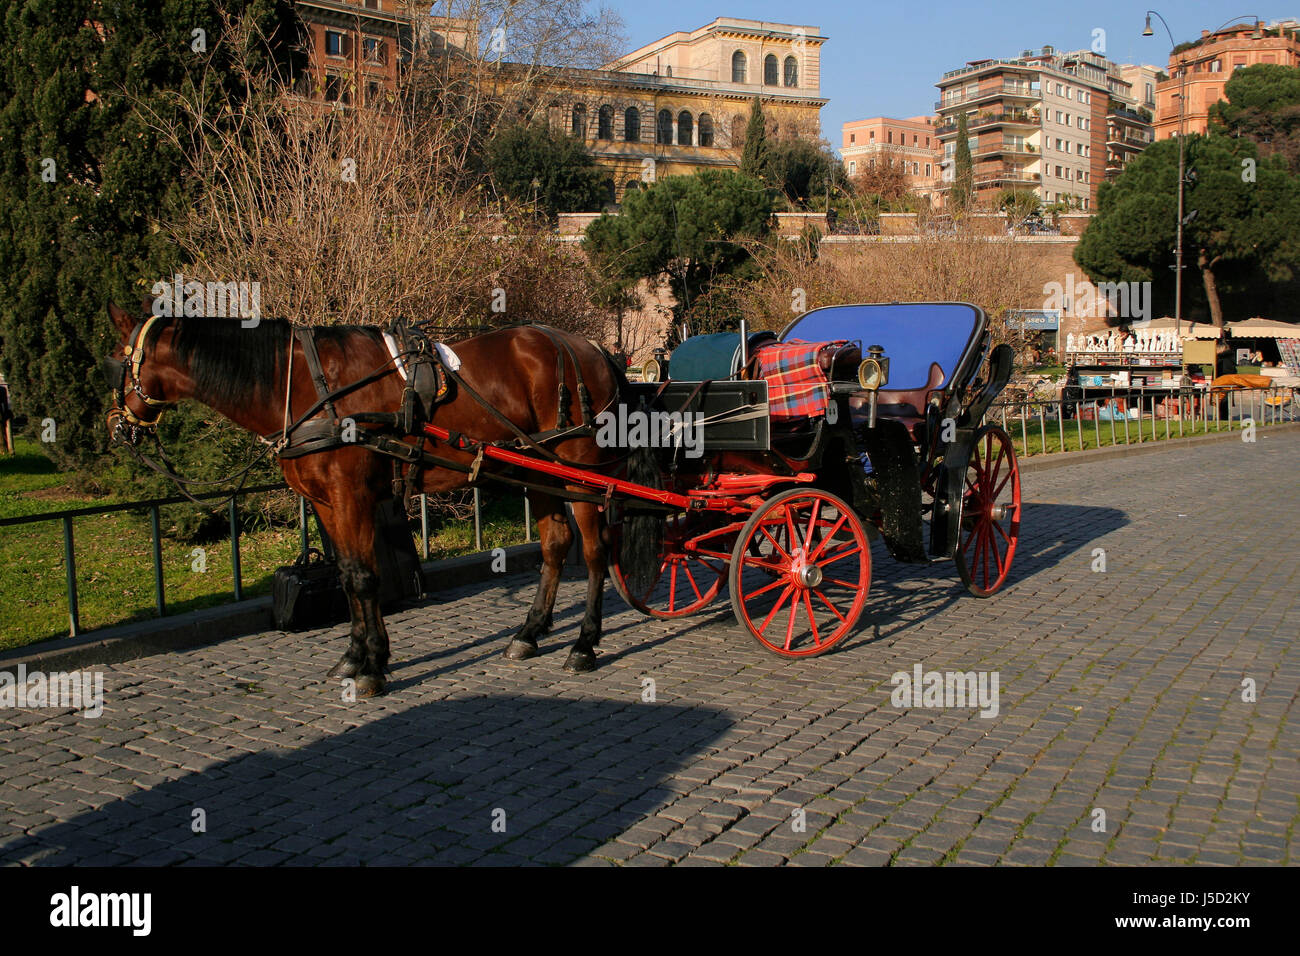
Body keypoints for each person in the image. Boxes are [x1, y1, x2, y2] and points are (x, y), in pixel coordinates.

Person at [0, 379, 13, 455]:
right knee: (2, 433)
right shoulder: (2, 389)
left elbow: (5, 403)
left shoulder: (2, 389)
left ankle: (3, 450)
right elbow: (5, 403)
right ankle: (3, 450)